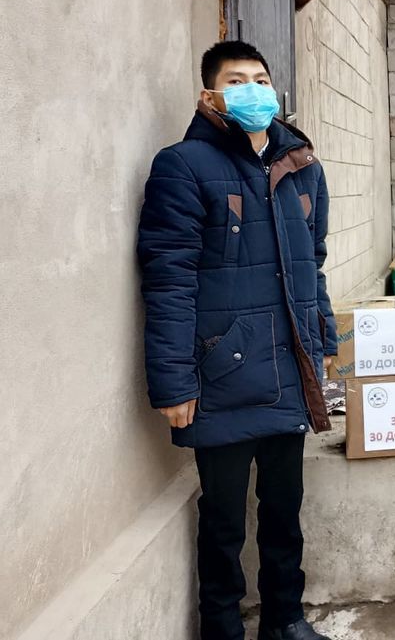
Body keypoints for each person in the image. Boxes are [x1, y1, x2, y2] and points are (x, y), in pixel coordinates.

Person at [137, 41, 336, 640]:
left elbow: (312, 265)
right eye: (237, 80)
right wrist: (174, 381)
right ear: (210, 96)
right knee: (223, 520)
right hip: (222, 372)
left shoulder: (302, 166)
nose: (253, 89)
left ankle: (285, 620)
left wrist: (324, 340)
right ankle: (222, 628)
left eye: (261, 79)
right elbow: (168, 279)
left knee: (284, 510)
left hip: (289, 367)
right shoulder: (183, 166)